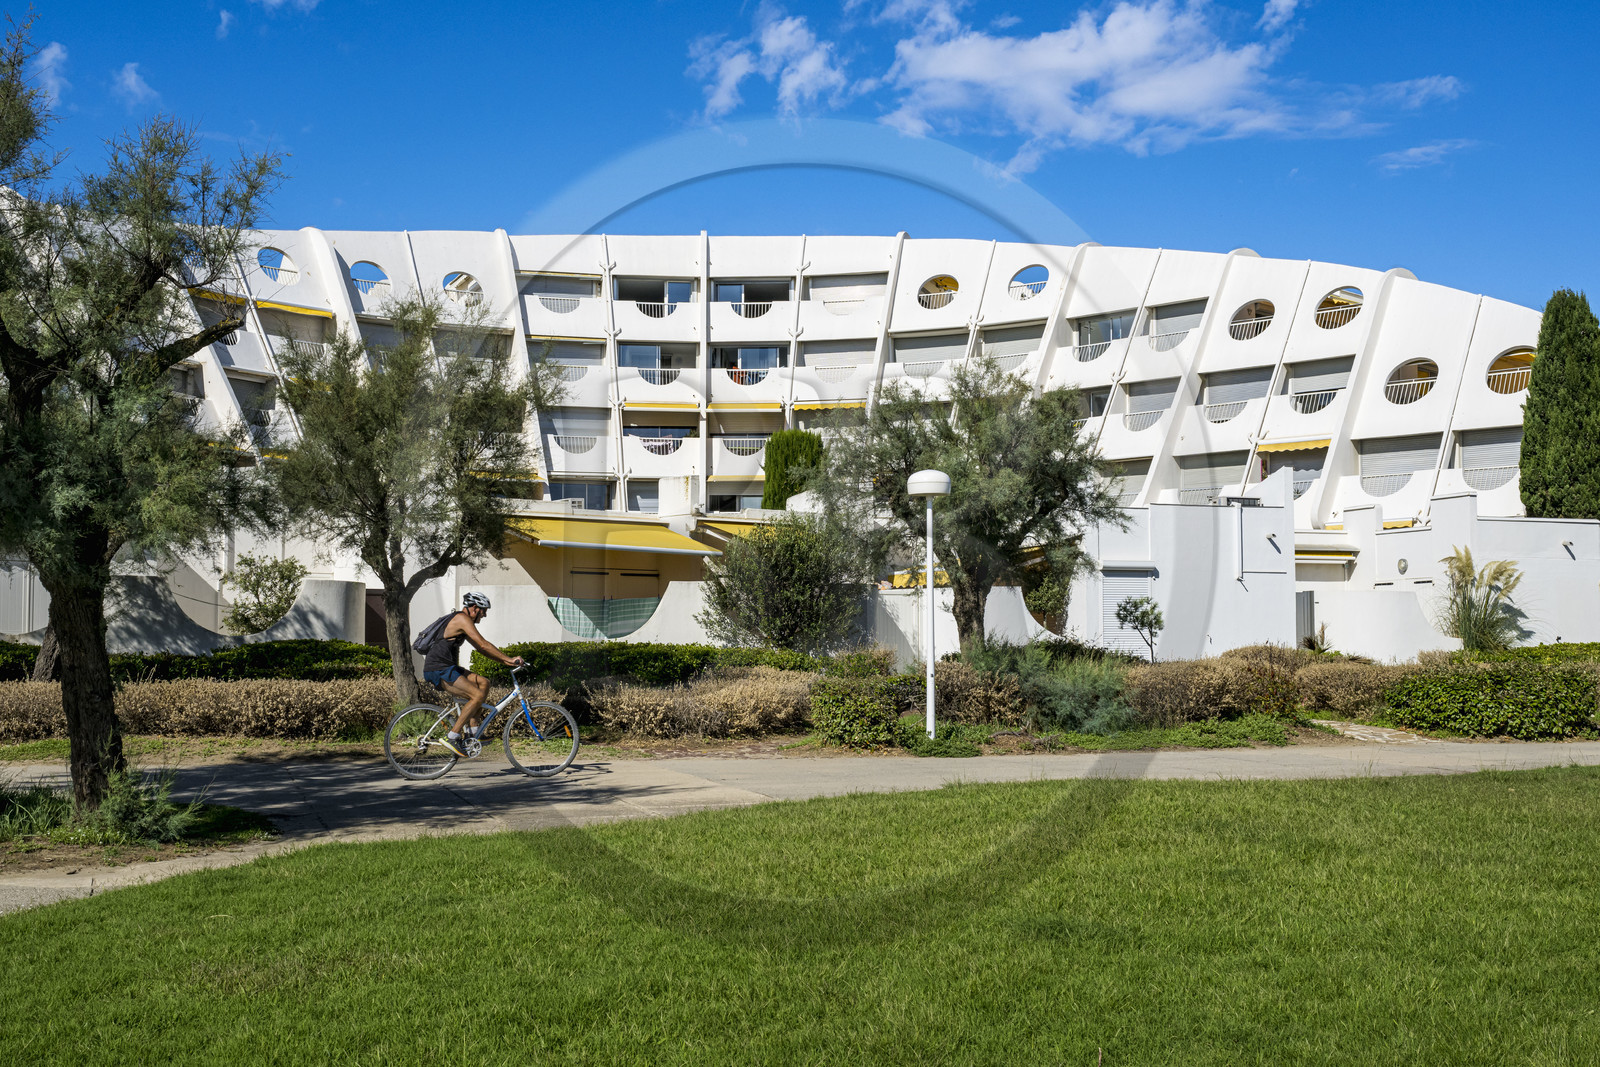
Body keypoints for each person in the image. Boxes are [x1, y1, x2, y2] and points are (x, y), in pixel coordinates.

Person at [421, 592, 524, 758]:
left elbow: (480, 647)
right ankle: (452, 736)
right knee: (476, 696)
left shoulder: (463, 621)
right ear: (475, 608)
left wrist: (506, 661)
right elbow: (483, 644)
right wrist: (509, 659)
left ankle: (472, 733)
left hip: (448, 667)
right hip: (438, 669)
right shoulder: (462, 619)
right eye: (483, 610)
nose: (485, 614)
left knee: (483, 683)